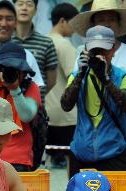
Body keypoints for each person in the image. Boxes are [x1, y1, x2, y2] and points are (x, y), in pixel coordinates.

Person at [61, 26, 126, 176]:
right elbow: (66, 105)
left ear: (113, 50)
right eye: (95, 51)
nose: (100, 56)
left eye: (104, 51)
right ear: (86, 50)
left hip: (114, 154)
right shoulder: (78, 76)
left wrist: (105, 79)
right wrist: (80, 75)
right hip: (81, 154)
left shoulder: (123, 77)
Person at [70, 0, 126, 140]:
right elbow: (73, 95)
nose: (106, 24)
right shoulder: (84, 56)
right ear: (93, 26)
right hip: (89, 133)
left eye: (111, 19)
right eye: (101, 20)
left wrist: (107, 78)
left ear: (119, 25)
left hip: (123, 132)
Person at [0, 42, 41, 172]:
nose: (12, 73)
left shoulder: (31, 87)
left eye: (16, 70)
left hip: (18, 160)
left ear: (23, 72)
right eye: (7, 69)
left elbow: (27, 116)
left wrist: (15, 90)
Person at [46, 3, 79, 169]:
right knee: (71, 161)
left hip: (46, 110)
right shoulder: (64, 44)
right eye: (73, 22)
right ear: (62, 21)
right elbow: (74, 77)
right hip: (65, 114)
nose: (75, 28)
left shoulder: (43, 41)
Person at [13, 0, 58, 96]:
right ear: (13, 8)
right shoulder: (5, 41)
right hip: (7, 106)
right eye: (20, 4)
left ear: (35, 10)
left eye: (29, 4)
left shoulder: (46, 43)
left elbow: (51, 81)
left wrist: (35, 96)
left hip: (37, 108)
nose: (24, 8)